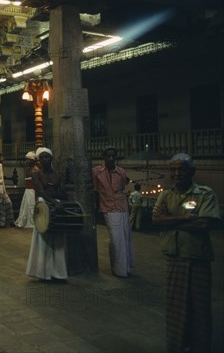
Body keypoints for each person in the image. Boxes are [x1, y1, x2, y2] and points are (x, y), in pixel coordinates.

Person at [152, 153, 221, 353]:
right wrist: (184, 217)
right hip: (173, 258)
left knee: (199, 309)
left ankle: (200, 347)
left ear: (191, 171)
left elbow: (204, 223)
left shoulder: (204, 194)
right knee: (175, 308)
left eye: (181, 169)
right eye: (173, 169)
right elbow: (156, 220)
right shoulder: (166, 194)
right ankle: (177, 347)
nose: (176, 173)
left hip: (197, 258)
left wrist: (170, 218)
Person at [26, 147, 68, 281]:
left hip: (57, 205)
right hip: (44, 205)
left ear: (51, 158)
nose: (45, 159)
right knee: (43, 240)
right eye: (42, 157)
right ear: (39, 160)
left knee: (57, 240)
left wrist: (61, 201)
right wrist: (54, 202)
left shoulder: (58, 174)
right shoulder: (36, 174)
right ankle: (42, 273)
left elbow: (62, 192)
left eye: (47, 157)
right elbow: (40, 191)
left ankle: (58, 273)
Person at [92, 146, 135, 277]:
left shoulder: (121, 171)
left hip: (122, 206)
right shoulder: (96, 171)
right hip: (108, 207)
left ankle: (125, 267)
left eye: (113, 156)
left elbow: (122, 186)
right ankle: (119, 269)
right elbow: (95, 190)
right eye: (108, 156)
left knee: (125, 237)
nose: (110, 159)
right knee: (116, 239)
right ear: (103, 157)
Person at [15, 151, 37, 228]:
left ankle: (32, 221)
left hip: (33, 190)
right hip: (27, 190)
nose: (26, 161)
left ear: (33, 161)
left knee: (31, 206)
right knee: (25, 207)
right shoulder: (28, 169)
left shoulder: (35, 169)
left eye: (28, 160)